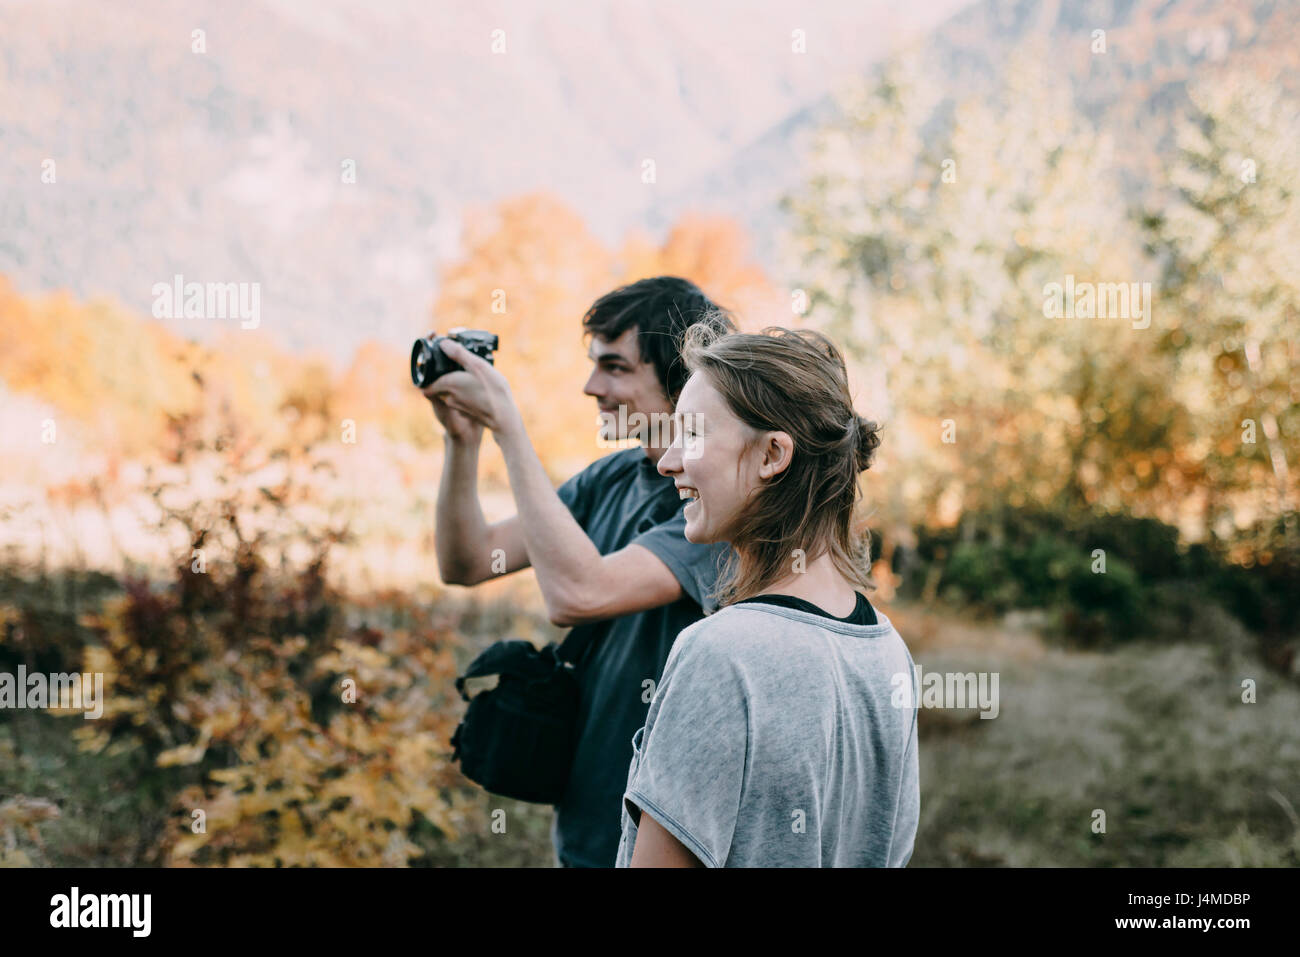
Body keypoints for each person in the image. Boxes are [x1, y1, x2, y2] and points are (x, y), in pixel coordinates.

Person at [425, 276, 736, 868]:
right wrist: (463, 442)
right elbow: (467, 561)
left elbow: (576, 595)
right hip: (588, 818)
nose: (593, 386)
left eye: (615, 368)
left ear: (678, 373)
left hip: (668, 833)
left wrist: (510, 428)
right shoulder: (611, 478)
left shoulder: (717, 502)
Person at [614, 323, 920, 867]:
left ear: (773, 454)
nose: (667, 461)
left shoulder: (722, 654)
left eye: (693, 434)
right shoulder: (889, 651)